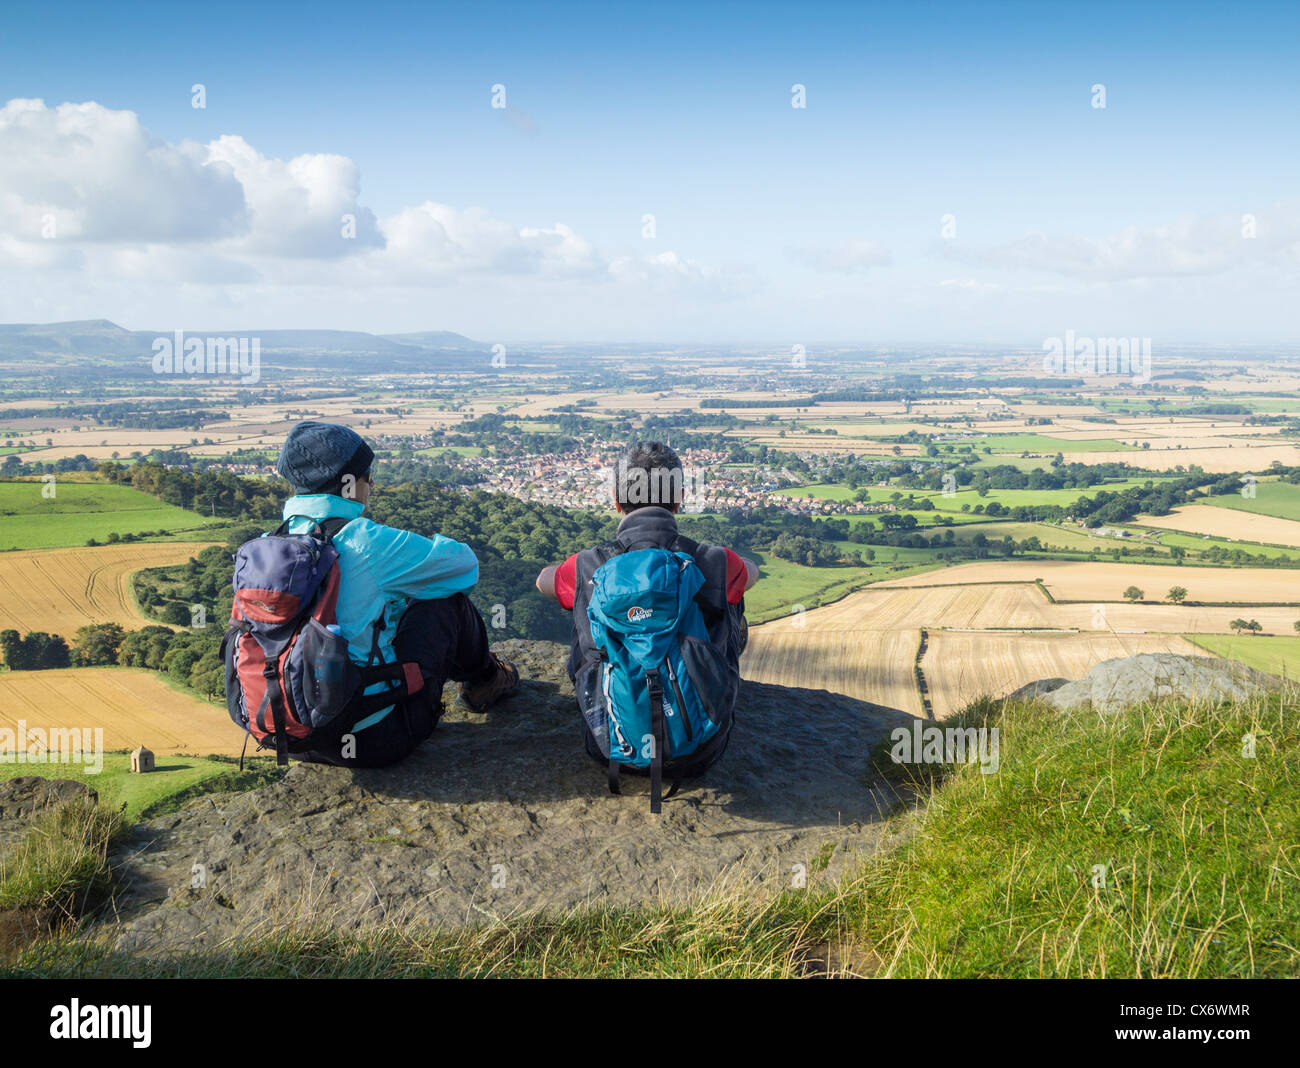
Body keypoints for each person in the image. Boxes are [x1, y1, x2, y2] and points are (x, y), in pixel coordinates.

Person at [274, 421, 518, 766]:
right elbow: (464, 568)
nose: (371, 482)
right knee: (444, 601)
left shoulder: (268, 545)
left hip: (296, 737)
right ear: (347, 483)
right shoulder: (366, 542)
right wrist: (423, 555)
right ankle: (485, 682)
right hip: (374, 737)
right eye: (366, 473)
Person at [537, 441, 759, 783]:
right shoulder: (717, 561)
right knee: (732, 611)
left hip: (606, 747)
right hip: (702, 752)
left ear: (616, 501)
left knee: (585, 612)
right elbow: (751, 573)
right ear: (679, 497)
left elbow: (543, 581)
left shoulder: (586, 566)